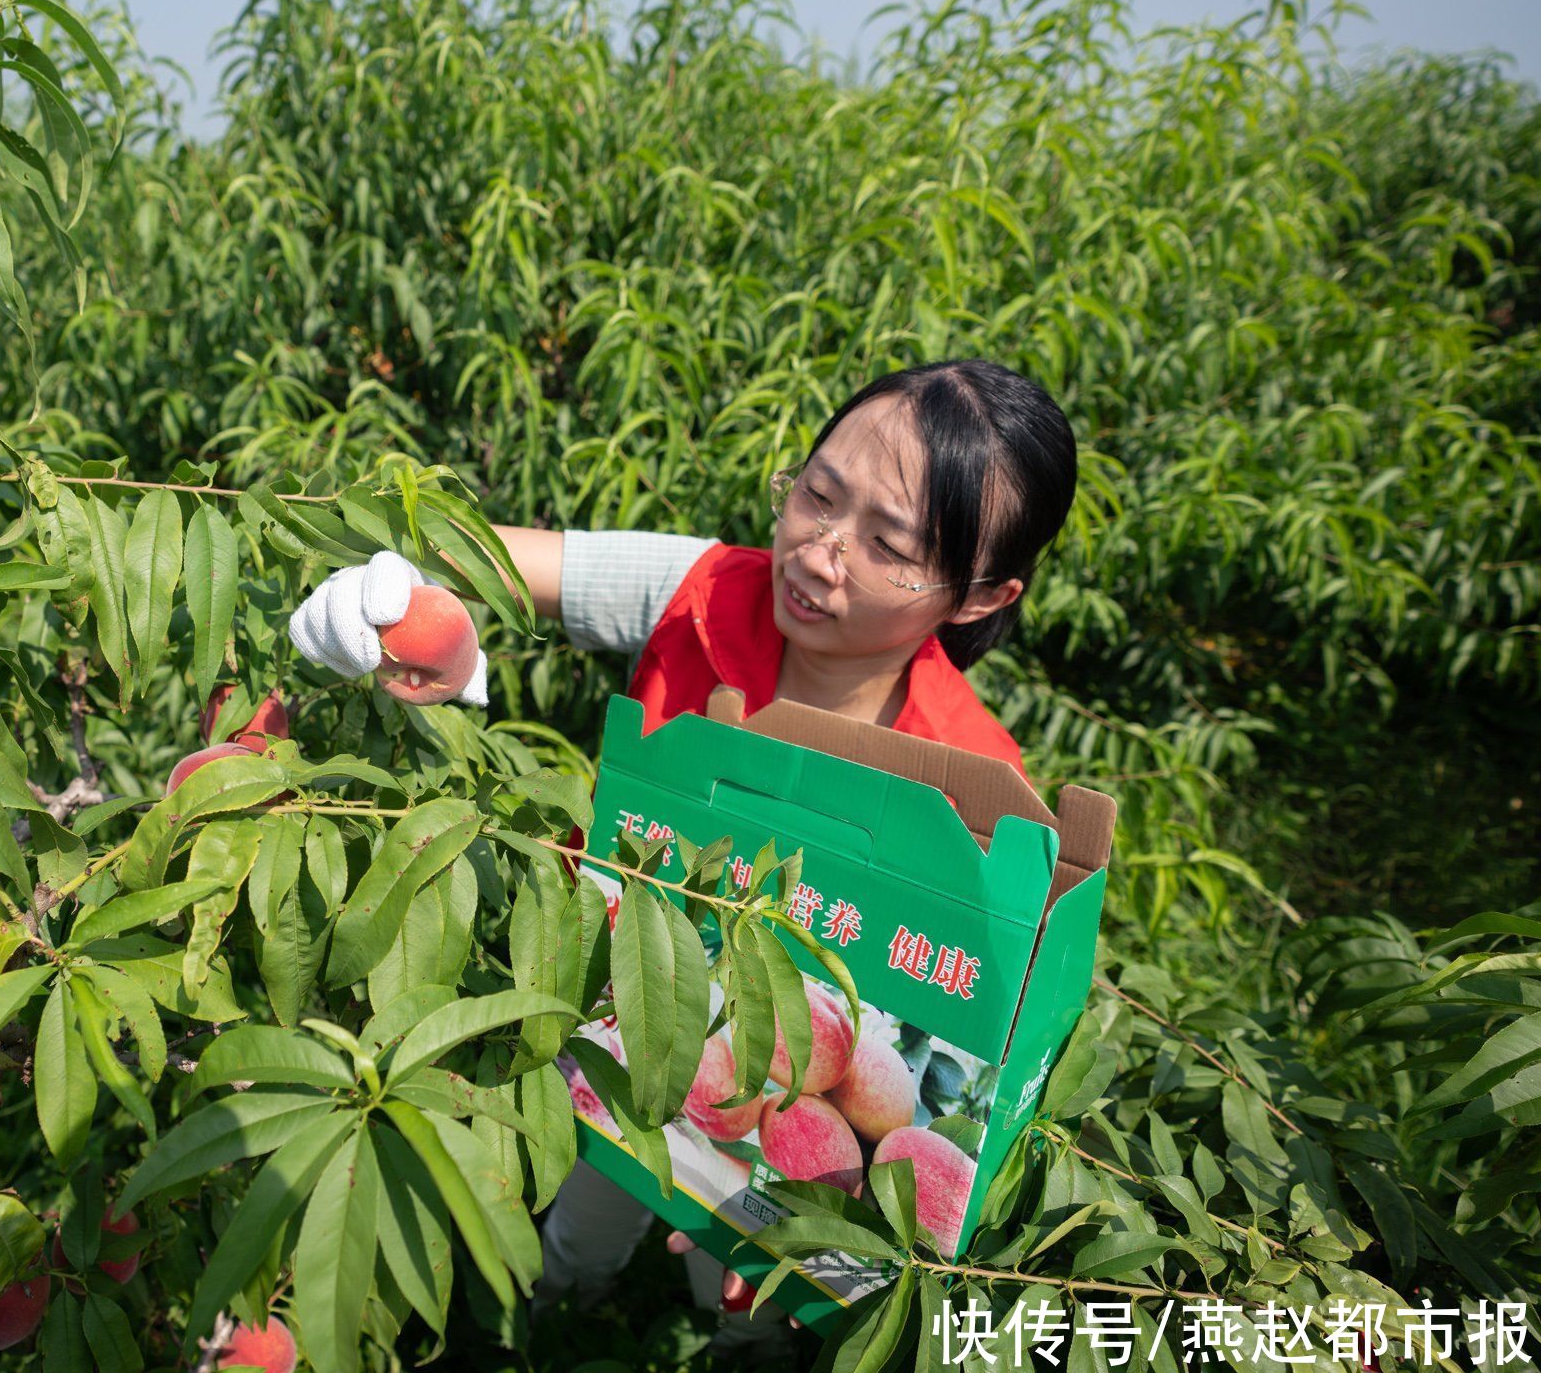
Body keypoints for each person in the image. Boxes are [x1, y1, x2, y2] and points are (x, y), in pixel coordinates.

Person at [287, 359, 1080, 1356]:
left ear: (977, 596)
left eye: (886, 544)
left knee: (739, 1293)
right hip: (605, 1024)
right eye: (817, 495)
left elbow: (963, 1022)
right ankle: (544, 1324)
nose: (819, 553)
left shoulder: (973, 798)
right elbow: (478, 564)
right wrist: (399, 603)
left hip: (770, 1112)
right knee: (576, 1229)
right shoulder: (702, 589)